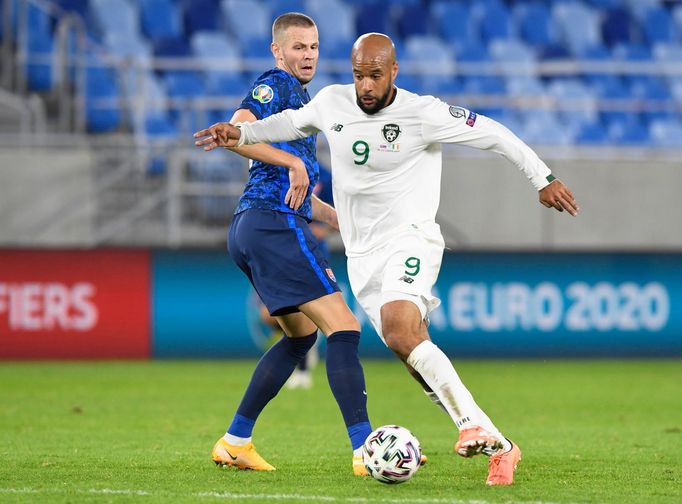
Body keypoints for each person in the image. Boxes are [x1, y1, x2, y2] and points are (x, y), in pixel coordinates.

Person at [195, 32, 580, 486]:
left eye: (375, 76)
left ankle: (465, 428)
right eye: (359, 76)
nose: (366, 87)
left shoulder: (423, 113)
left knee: (398, 328)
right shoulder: (333, 102)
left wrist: (543, 178)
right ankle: (499, 444)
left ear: (393, 71)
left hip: (409, 240)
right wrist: (238, 132)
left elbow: (495, 134)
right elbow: (285, 124)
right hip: (363, 256)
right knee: (410, 350)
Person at [208, 13, 373, 476]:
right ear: (278, 51)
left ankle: (236, 441)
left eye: (314, 47)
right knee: (343, 327)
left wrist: (345, 222)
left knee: (300, 336)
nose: (308, 55)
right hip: (270, 224)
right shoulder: (274, 84)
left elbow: (299, 195)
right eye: (298, 47)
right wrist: (291, 162)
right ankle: (366, 448)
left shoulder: (304, 103)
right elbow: (236, 130)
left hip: (256, 225)